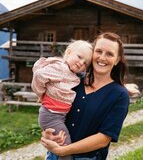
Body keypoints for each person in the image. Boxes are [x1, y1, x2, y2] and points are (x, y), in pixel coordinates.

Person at [41, 32, 130, 160]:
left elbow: (103, 139)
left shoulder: (119, 95)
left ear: (117, 60)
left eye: (109, 54)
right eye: (98, 51)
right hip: (53, 155)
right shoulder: (73, 80)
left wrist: (64, 150)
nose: (102, 57)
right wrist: (48, 134)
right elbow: (52, 113)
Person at [31, 40, 93, 160]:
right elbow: (39, 75)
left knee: (61, 143)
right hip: (51, 115)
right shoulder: (60, 68)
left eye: (85, 63)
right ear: (69, 52)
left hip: (57, 115)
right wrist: (40, 92)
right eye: (79, 57)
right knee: (65, 145)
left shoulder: (73, 73)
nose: (81, 63)